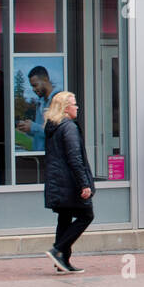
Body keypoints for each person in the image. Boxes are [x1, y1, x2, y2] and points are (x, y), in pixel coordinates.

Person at [43, 91, 95, 273]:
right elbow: (74, 158)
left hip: (58, 182)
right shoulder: (69, 127)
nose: (77, 107)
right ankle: (58, 251)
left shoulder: (53, 126)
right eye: (74, 104)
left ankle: (62, 260)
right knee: (86, 216)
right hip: (69, 182)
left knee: (64, 217)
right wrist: (84, 183)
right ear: (66, 108)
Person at [16, 65, 57, 152]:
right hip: (40, 158)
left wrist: (33, 127)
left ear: (46, 79)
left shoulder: (58, 100)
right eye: (32, 86)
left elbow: (56, 133)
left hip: (52, 159)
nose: (33, 89)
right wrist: (28, 129)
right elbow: (41, 133)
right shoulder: (40, 102)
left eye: (35, 85)